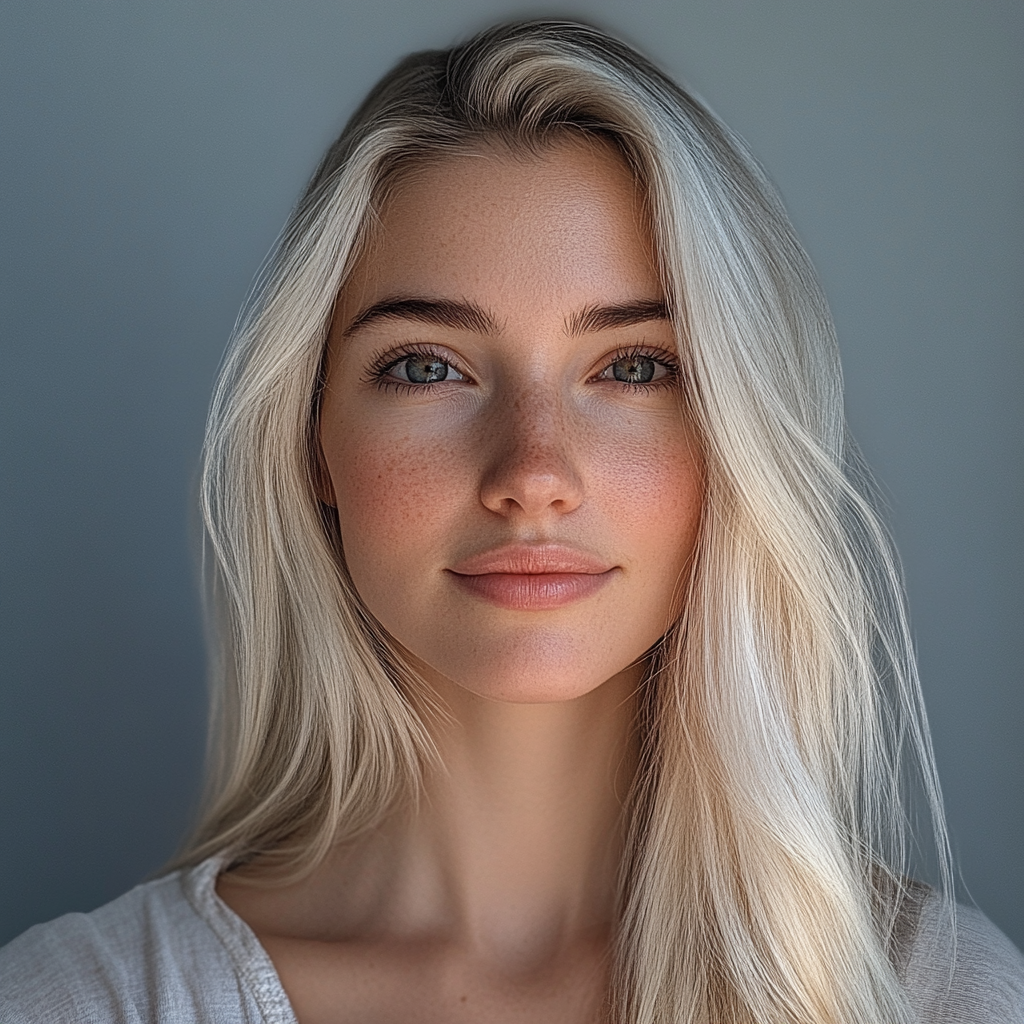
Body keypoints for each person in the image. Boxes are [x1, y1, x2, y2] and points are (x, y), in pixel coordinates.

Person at [0, 19, 1020, 1024]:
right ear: (313, 439)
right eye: (427, 367)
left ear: (737, 436)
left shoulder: (930, 997)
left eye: (633, 368)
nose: (532, 472)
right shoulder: (85, 1002)